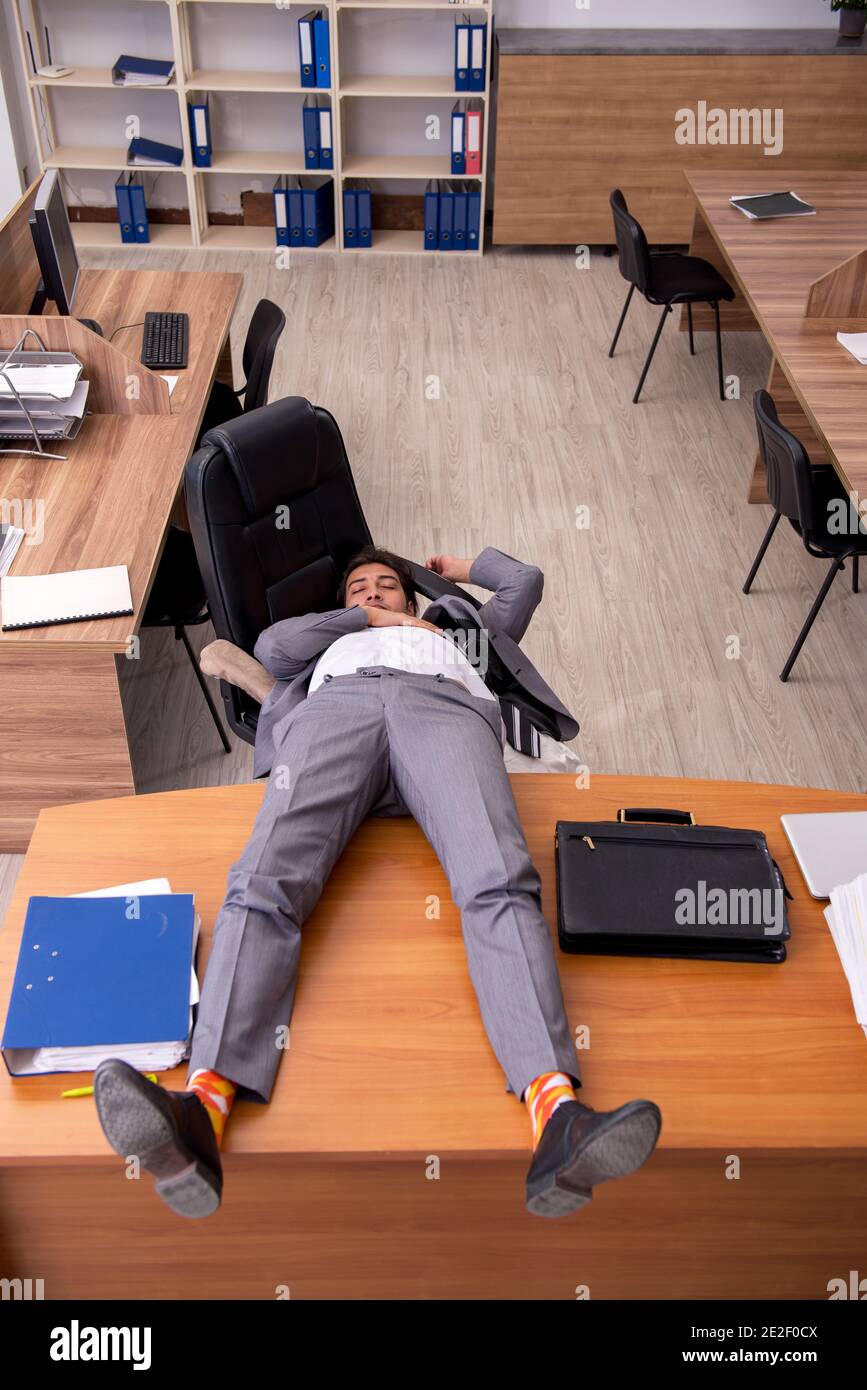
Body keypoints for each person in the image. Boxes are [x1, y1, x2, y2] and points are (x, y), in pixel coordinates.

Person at [94, 545, 661, 1219]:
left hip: (445, 712)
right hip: (335, 712)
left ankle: (558, 1120)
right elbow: (273, 648)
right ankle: (201, 1112)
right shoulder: (328, 639)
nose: (371, 592)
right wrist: (364, 622)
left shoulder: (455, 627)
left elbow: (524, 580)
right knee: (263, 880)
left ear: (411, 596)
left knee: (500, 880)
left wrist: (447, 572)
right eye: (358, 586)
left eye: (386, 586)